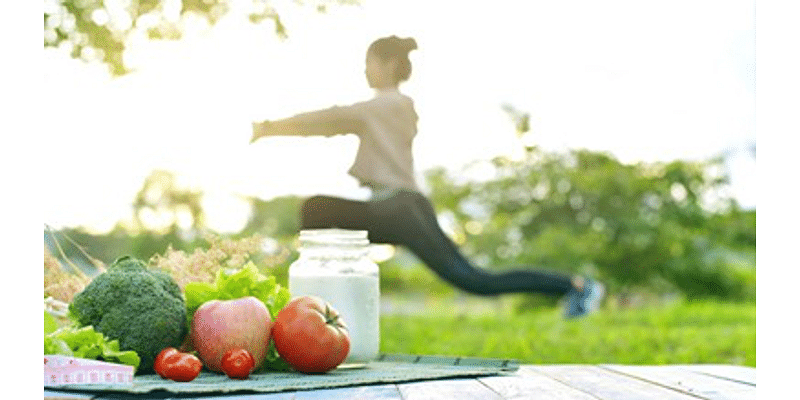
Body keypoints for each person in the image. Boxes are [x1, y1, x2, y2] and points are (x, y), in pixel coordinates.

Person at [250, 36, 604, 318]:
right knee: (476, 279)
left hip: (397, 209)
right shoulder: (394, 108)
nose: (364, 70)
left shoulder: (387, 105)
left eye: (368, 63)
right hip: (405, 206)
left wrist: (269, 128)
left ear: (387, 64)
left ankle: (317, 313)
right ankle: (574, 285)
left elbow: (327, 120)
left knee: (316, 210)